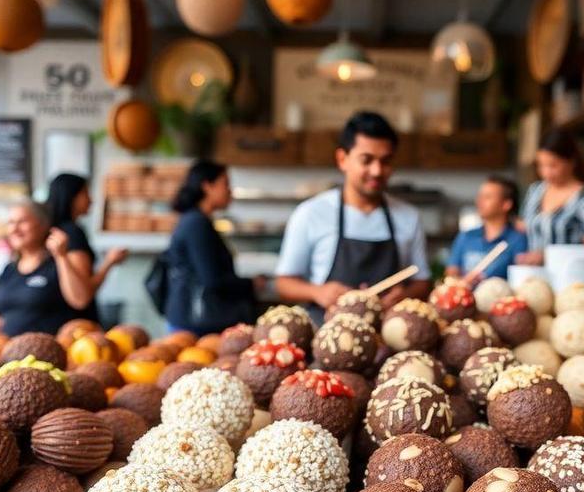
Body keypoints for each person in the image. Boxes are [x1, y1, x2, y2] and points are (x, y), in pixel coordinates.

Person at [276, 111, 432, 323]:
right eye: (366, 160)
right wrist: (317, 292)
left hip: (390, 338)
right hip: (325, 336)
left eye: (385, 161)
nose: (377, 171)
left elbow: (422, 281)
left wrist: (404, 295)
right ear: (342, 159)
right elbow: (284, 283)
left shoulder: (408, 217)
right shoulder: (310, 213)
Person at [163, 160, 258, 334]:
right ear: (207, 186)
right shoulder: (196, 224)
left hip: (189, 318)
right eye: (225, 184)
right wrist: (250, 284)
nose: (230, 190)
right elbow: (212, 279)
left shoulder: (195, 220)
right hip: (195, 325)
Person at [0, 201, 95, 337]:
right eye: (10, 223)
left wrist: (61, 256)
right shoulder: (9, 269)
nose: (14, 229)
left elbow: (80, 300)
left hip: (49, 352)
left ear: (43, 225)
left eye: (22, 222)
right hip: (9, 353)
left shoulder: (56, 263)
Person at [515, 129, 584, 266]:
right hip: (534, 277)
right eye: (541, 165)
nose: (546, 173)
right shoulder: (535, 191)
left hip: (571, 279)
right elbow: (523, 228)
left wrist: (547, 256)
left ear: (572, 161)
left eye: (553, 165)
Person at [44, 173, 127, 323]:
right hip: (77, 325)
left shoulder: (50, 231)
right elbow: (84, 291)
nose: (91, 200)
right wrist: (110, 262)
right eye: (85, 193)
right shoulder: (72, 234)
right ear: (72, 196)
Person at [445, 176, 528, 283]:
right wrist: (459, 281)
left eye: (488, 197)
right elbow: (452, 272)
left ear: (506, 204)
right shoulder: (466, 236)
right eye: (480, 196)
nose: (480, 201)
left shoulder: (517, 239)